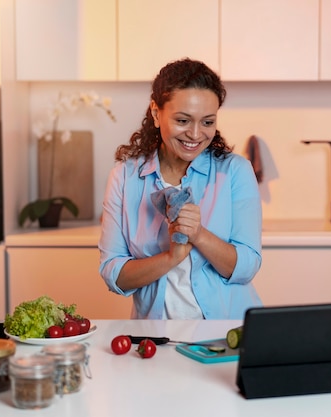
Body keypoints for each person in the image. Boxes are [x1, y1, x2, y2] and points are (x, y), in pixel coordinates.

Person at [98, 58, 262, 319]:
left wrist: (198, 235)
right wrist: (170, 258)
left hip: (226, 334)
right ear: (156, 113)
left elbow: (247, 266)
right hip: (155, 338)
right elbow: (114, 274)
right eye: (183, 121)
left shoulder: (235, 171)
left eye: (207, 122)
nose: (196, 135)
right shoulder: (124, 178)